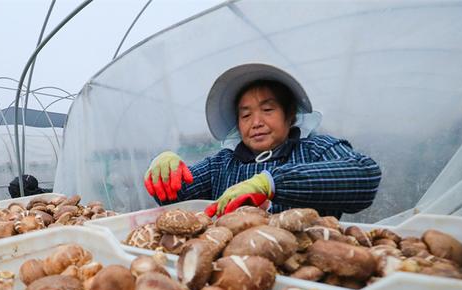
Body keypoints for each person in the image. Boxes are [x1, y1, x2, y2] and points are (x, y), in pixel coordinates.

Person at [143, 64, 382, 218]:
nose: (255, 122)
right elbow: (176, 198)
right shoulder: (223, 164)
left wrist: (272, 183)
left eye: (268, 110)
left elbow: (365, 175)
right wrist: (166, 167)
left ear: (290, 116)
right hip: (230, 272)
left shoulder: (315, 149)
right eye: (245, 115)